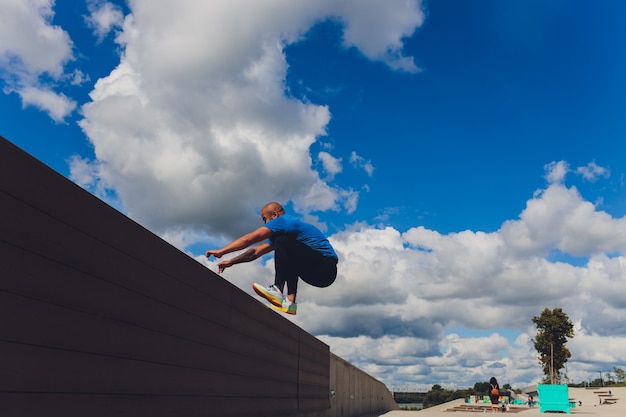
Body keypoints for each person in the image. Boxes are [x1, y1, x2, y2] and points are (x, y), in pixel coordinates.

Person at [205, 202, 338, 315]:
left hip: (325, 266)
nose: (265, 224)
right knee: (287, 251)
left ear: (274, 215)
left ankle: (277, 290)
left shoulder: (284, 221)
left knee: (282, 241)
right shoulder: (288, 235)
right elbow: (256, 252)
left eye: (265, 219)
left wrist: (221, 251)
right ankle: (290, 303)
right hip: (316, 274)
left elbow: (249, 239)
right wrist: (231, 262)